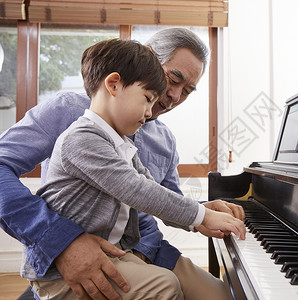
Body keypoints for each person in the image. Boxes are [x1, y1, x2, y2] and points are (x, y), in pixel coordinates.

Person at [0, 28, 245, 300]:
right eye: (172, 79)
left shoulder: (163, 139)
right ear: (146, 61)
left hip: (146, 250)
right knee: (165, 288)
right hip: (77, 253)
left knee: (227, 296)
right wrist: (61, 241)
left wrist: (202, 211)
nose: (175, 96)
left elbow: (160, 197)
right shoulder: (72, 115)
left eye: (187, 91)